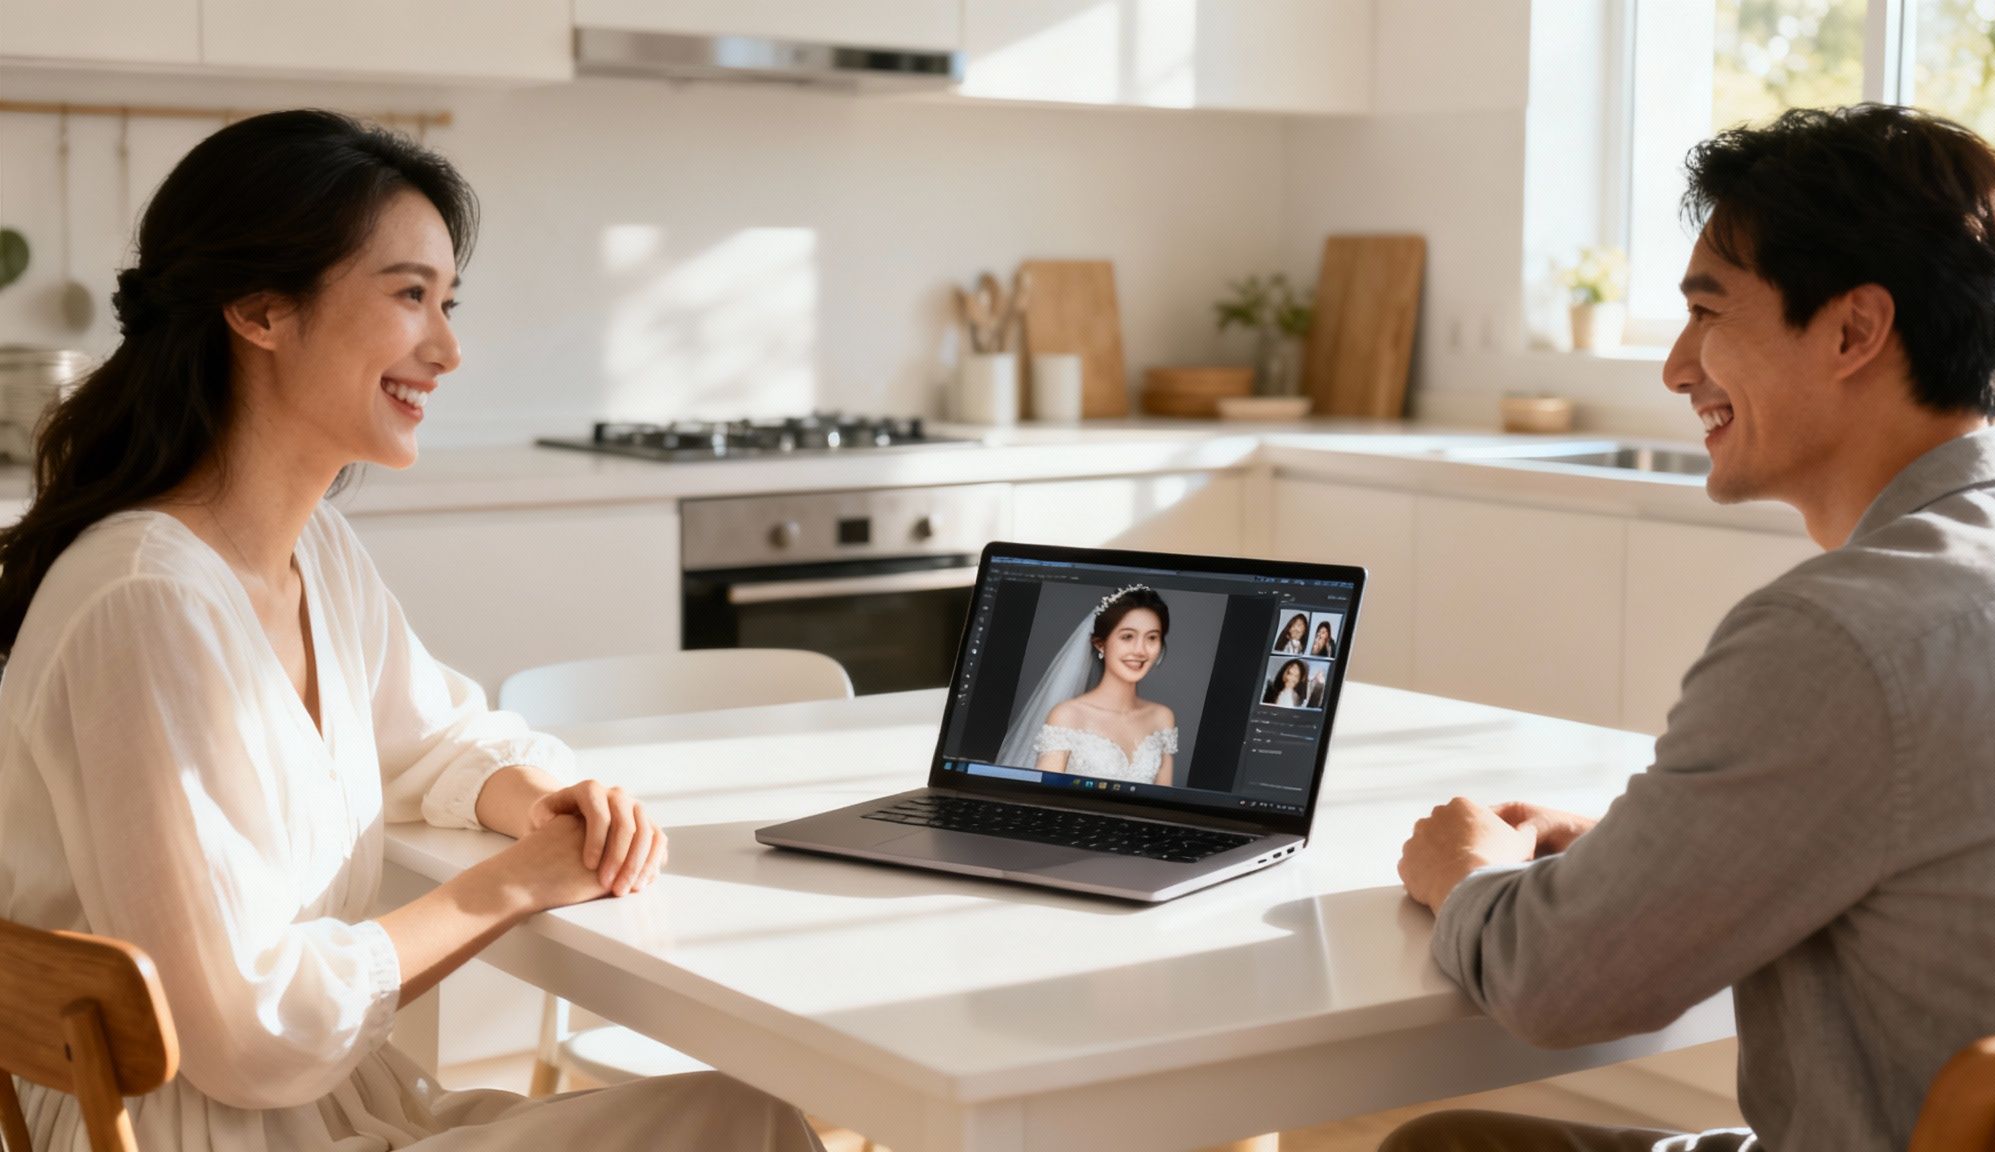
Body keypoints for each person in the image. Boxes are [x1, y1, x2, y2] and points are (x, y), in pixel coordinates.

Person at [0, 111, 825, 1152]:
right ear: (259, 310)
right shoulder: (146, 602)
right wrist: (517, 883)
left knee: (737, 1111)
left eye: (445, 300)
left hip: (324, 1111)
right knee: (736, 1123)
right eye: (407, 296)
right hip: (207, 1133)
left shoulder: (315, 557)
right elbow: (242, 1032)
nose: (445, 347)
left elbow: (434, 734)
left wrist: (538, 800)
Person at [1387, 105, 1995, 1152]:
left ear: (1851, 332)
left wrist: (1464, 874)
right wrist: (1649, 860)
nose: (1675, 365)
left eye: (1707, 314)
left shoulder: (1838, 637)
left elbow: (1553, 985)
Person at [997, 586, 1178, 785]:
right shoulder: (1067, 715)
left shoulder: (1162, 717)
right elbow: (1044, 799)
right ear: (1100, 644)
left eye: (1152, 637)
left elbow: (1163, 802)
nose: (1140, 650)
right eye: (1127, 636)